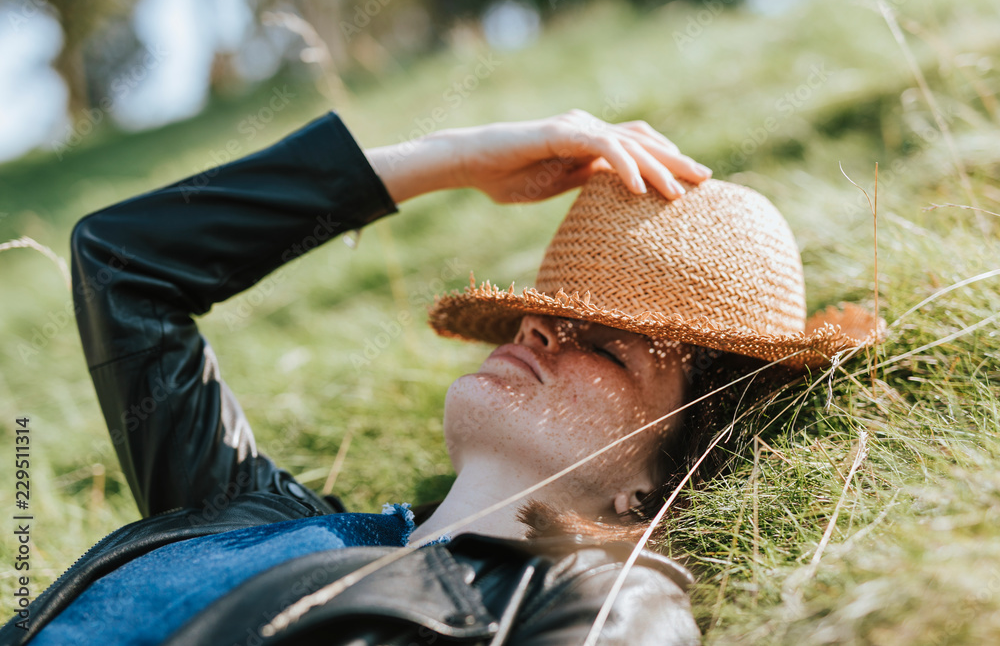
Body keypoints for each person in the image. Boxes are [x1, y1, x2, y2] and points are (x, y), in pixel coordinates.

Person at [1, 110, 882, 646]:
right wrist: (451, 159)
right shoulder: (252, 512)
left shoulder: (601, 602)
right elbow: (124, 264)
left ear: (651, 486)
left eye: (611, 347)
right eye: (552, 307)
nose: (541, 324)